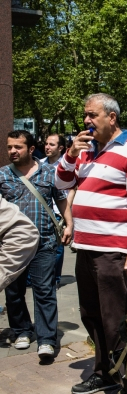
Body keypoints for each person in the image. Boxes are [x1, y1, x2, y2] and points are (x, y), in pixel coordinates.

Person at [55, 93, 127, 394]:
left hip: (114, 252)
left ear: (111, 117)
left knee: (116, 319)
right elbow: (60, 183)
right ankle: (105, 372)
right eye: (84, 115)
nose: (86, 121)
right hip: (86, 248)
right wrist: (71, 154)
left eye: (92, 115)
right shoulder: (85, 152)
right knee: (91, 315)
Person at [0, 130, 73, 360]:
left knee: (44, 292)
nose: (12, 151)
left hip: (45, 242)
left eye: (17, 147)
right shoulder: (2, 175)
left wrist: (69, 224)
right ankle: (21, 330)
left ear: (31, 149)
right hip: (14, 247)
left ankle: (46, 339)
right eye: (10, 147)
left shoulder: (50, 172)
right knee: (13, 292)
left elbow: (61, 199)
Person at [39, 133, 71, 286]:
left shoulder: (66, 165)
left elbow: (72, 190)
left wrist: (66, 214)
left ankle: (55, 279)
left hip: (59, 212)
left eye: (51, 144)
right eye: (46, 144)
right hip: (43, 211)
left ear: (60, 148)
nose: (47, 147)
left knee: (57, 247)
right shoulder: (39, 163)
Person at [0, 194, 39, 292]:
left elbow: (24, 232)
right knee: (14, 295)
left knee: (43, 289)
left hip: (45, 240)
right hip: (9, 242)